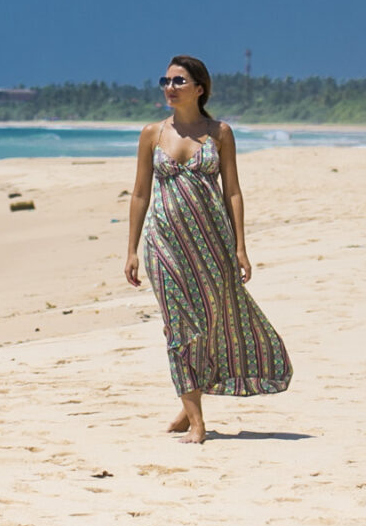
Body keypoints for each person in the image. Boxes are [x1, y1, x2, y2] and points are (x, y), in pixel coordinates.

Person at [122, 54, 292, 443]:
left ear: (199, 88)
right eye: (165, 80)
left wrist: (241, 247)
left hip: (211, 244)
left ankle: (188, 404)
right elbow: (139, 193)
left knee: (216, 323)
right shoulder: (152, 133)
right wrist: (131, 250)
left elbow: (232, 191)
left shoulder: (220, 133)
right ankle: (198, 422)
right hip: (164, 243)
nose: (169, 87)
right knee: (179, 328)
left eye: (178, 81)